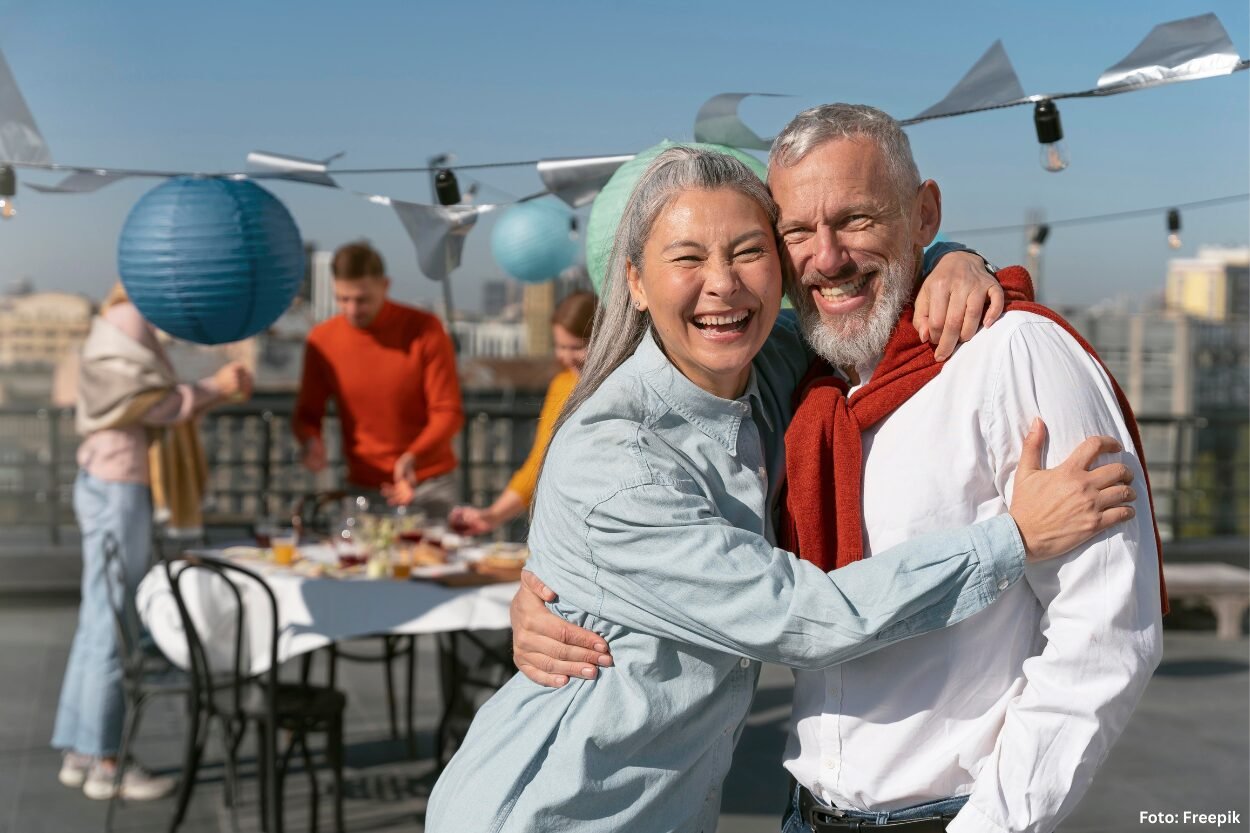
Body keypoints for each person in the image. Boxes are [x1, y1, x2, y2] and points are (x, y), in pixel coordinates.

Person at [424, 147, 1137, 832]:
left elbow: (856, 281)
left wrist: (956, 259)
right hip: (546, 811)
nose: (723, 283)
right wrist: (1012, 539)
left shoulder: (765, 367)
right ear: (635, 281)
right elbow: (801, 617)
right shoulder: (619, 459)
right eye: (688, 258)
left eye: (747, 250)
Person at [53, 282, 252, 800]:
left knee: (99, 617)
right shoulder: (131, 320)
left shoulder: (115, 318)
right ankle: (105, 761)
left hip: (103, 475)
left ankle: (81, 751)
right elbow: (155, 405)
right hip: (120, 482)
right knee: (115, 619)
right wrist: (215, 385)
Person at [293, 241, 464, 516]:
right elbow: (307, 414)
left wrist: (412, 457)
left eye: (362, 299)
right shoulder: (322, 340)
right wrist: (310, 440)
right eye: (342, 299)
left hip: (428, 483)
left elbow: (448, 412)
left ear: (385, 285)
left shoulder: (425, 329)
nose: (351, 309)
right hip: (362, 486)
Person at [448, 290, 596, 535]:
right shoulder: (561, 384)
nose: (567, 357)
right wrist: (492, 516)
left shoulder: (619, 384)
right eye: (560, 347)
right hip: (564, 523)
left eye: (577, 347)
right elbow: (539, 463)